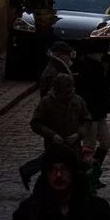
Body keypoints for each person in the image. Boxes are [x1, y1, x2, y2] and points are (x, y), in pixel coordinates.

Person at [6, 143, 110, 220]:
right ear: (46, 174)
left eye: (64, 169)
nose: (58, 175)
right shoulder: (29, 211)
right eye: (53, 170)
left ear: (72, 172)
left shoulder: (97, 209)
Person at [20, 42, 78, 189]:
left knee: (57, 154)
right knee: (56, 155)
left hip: (60, 120)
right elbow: (50, 100)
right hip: (55, 121)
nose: (69, 59)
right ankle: (38, 177)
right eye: (66, 55)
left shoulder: (57, 69)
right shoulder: (54, 73)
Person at [30, 73, 93, 156]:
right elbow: (36, 123)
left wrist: (78, 134)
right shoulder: (47, 102)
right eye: (65, 92)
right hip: (53, 147)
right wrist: (52, 135)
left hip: (74, 148)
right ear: (57, 91)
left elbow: (87, 120)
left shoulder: (78, 101)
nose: (68, 95)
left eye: (70, 91)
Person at [74, 51, 110, 165]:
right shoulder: (86, 70)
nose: (101, 55)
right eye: (99, 53)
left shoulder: (98, 68)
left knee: (106, 142)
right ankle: (86, 174)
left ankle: (94, 170)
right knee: (89, 146)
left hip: (99, 113)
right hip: (90, 115)